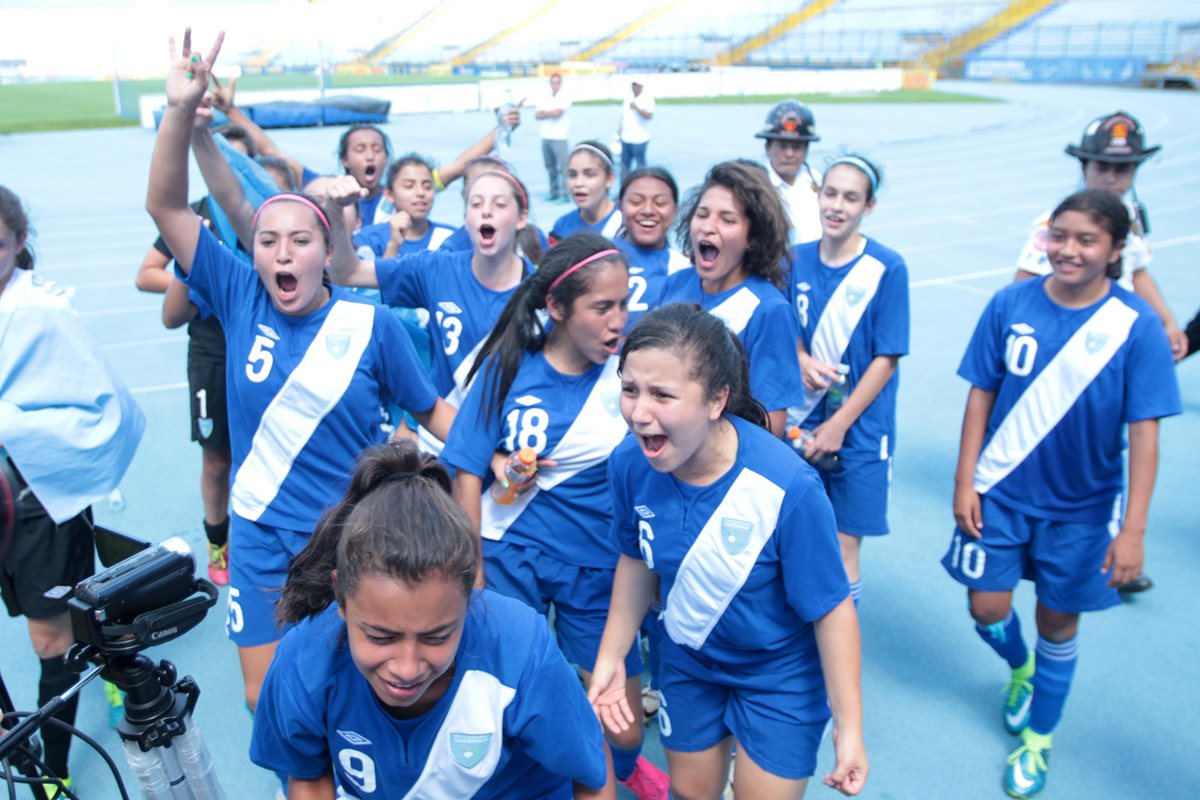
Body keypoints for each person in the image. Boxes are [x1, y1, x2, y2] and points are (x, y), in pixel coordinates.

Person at [145, 29, 455, 716]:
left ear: (326, 251)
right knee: (266, 698)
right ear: (252, 253)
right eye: (267, 240)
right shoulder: (238, 294)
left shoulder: (369, 325)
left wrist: (488, 460)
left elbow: (435, 414)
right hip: (256, 532)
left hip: (347, 537)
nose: (282, 251)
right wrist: (180, 114)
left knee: (355, 690)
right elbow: (167, 208)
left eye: (300, 239)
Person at [943, 189, 1180, 799]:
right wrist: (965, 477)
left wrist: (1133, 531)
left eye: (1087, 240)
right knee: (986, 608)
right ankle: (1020, 671)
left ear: (1116, 250)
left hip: (1080, 511)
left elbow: (1145, 435)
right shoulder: (1009, 304)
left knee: (1058, 623)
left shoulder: (1134, 326)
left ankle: (1039, 740)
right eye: (1060, 236)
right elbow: (981, 395)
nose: (1069, 250)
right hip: (999, 491)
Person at [589, 303, 867, 799]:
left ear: (718, 399)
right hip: (688, 660)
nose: (639, 412)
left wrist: (850, 729)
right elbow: (636, 560)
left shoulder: (788, 488)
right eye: (630, 389)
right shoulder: (630, 465)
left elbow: (831, 609)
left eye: (662, 395)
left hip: (778, 674)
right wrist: (612, 655)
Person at [250, 440, 612, 799]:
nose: (407, 669)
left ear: (470, 599)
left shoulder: (521, 653)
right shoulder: (304, 662)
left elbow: (591, 775)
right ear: (341, 597)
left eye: (437, 637)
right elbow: (308, 775)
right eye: (380, 637)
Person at [444, 234, 669, 799]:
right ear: (558, 309)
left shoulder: (631, 375)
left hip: (595, 566)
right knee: (507, 693)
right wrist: (472, 578)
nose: (619, 319)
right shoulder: (508, 366)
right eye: (602, 307)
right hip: (508, 555)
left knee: (622, 726)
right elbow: (467, 471)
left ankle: (619, 769)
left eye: (624, 304)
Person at [0, 184, 145, 797]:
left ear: (19, 242)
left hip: (36, 503)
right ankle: (20, 743)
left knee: (49, 640)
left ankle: (48, 773)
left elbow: (108, 411)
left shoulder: (43, 313)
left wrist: (17, 428)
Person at [1013, 109, 1184, 595]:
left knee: (1113, 449)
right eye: (1102, 166)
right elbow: (1022, 289)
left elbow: (1139, 272)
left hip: (1118, 349)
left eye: (1124, 168)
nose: (1113, 176)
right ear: (1084, 168)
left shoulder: (1131, 219)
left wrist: (1168, 321)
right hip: (1067, 359)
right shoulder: (1056, 225)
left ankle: (1114, 547)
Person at [329, 168, 535, 452]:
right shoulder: (435, 269)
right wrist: (336, 213)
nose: (486, 212)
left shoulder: (542, 292)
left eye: (499, 204)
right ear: (466, 219)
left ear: (522, 218)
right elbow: (346, 272)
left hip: (511, 446)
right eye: (476, 204)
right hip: (444, 441)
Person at [787, 155, 909, 606]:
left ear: (869, 205)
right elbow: (785, 330)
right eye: (831, 193)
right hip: (798, 422)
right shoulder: (794, 260)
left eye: (851, 197)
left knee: (843, 546)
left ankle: (838, 652)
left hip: (859, 431)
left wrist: (839, 425)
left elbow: (887, 358)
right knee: (793, 535)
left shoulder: (887, 268)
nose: (837, 206)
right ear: (818, 195)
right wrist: (799, 356)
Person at [662, 160, 802, 437]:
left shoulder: (767, 310)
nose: (708, 227)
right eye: (702, 214)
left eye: (727, 219)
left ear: (753, 237)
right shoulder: (676, 284)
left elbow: (771, 421)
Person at [613, 166, 689, 333]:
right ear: (620, 206)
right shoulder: (596, 257)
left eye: (660, 203)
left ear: (676, 210)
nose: (648, 211)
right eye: (636, 202)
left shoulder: (684, 270)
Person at [757, 99, 822, 245]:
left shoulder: (820, 183)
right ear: (767, 147)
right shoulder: (754, 186)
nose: (789, 154)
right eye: (782, 146)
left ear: (807, 149)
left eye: (797, 147)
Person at [551, 142, 623, 243]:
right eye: (572, 175)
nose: (578, 183)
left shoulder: (627, 224)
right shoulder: (562, 226)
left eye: (590, 174)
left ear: (609, 179)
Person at [536, 72, 571, 202]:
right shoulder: (544, 97)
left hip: (559, 136)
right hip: (546, 135)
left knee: (563, 167)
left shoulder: (564, 96)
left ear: (560, 84)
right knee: (550, 167)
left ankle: (565, 194)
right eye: (553, 82)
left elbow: (557, 113)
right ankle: (554, 192)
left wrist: (545, 112)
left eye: (557, 82)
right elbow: (537, 115)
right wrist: (549, 113)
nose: (555, 85)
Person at [618, 81, 655, 178]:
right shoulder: (628, 98)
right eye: (633, 85)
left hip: (640, 138)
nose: (634, 87)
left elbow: (649, 115)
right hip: (626, 137)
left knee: (640, 166)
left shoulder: (647, 98)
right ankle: (624, 188)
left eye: (637, 85)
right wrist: (619, 132)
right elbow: (623, 116)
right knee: (624, 166)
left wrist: (637, 108)